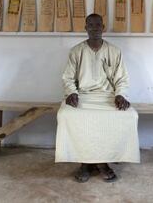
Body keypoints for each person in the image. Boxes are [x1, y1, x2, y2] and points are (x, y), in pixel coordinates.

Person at [55, 13, 140, 183]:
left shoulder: (114, 51)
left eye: (98, 25)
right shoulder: (76, 51)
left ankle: (102, 161)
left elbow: (121, 78)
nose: (94, 28)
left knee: (130, 115)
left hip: (107, 96)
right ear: (85, 28)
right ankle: (87, 163)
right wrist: (72, 92)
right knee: (65, 115)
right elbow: (68, 77)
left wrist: (120, 95)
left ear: (103, 27)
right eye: (91, 25)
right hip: (83, 96)